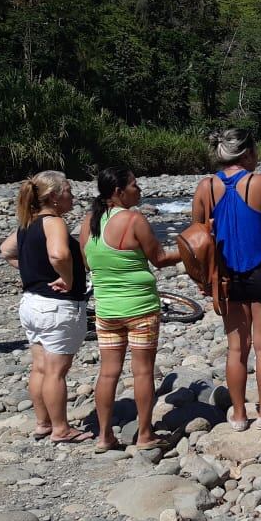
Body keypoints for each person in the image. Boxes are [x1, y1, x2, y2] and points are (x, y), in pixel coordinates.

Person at [191, 129, 261, 431]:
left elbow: (197, 234)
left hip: (226, 276)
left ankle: (238, 415)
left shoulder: (206, 187)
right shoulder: (259, 182)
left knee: (237, 348)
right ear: (248, 152)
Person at [80, 167, 181, 452]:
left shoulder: (89, 222)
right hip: (140, 308)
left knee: (108, 372)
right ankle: (145, 434)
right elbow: (160, 259)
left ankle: (104, 436)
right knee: (143, 372)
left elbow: (87, 263)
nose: (140, 189)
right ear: (118, 192)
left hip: (107, 310)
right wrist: (191, 249)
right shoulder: (134, 219)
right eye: (135, 185)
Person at [0, 171, 93, 444]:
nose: (72, 197)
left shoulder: (27, 224)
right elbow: (59, 254)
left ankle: (43, 423)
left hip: (31, 304)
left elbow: (6, 251)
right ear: (54, 196)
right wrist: (67, 278)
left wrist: (30, 271)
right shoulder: (54, 222)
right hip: (56, 307)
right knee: (56, 371)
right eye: (69, 191)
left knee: (40, 368)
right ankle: (61, 429)